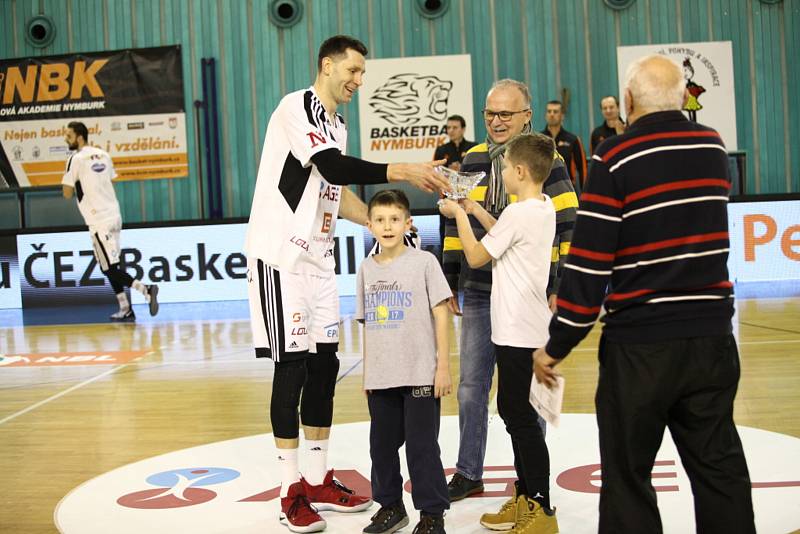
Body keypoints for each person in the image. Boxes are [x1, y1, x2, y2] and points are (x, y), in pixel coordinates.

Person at [534, 54, 755, 534]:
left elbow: (590, 263)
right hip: (712, 339)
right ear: (682, 98)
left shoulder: (613, 157)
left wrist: (556, 345)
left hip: (640, 348)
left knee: (628, 477)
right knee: (720, 472)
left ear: (628, 101)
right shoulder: (713, 147)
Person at [243, 35, 450, 533]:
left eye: (362, 73)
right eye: (353, 71)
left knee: (324, 366)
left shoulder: (335, 124)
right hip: (281, 257)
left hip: (318, 261)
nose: (359, 81)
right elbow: (332, 166)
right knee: (290, 368)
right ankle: (288, 489)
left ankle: (316, 479)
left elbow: (335, 194)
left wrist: (388, 223)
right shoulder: (299, 107)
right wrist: (397, 167)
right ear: (327, 64)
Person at [441, 79, 577, 502]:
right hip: (482, 293)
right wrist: (450, 281)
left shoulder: (545, 162)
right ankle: (469, 471)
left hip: (525, 299)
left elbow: (568, 219)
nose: (496, 121)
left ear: (527, 116)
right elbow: (453, 227)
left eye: (505, 114)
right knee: (471, 386)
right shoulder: (473, 158)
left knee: (523, 397)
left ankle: (529, 482)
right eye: (489, 114)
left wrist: (561, 284)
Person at [358, 190, 452, 534]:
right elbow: (368, 324)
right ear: (369, 225)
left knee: (421, 447)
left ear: (408, 224)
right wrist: (368, 374)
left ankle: (432, 514)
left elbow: (441, 313)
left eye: (394, 219)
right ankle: (391, 507)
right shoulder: (366, 269)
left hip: (420, 374)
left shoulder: (425, 262)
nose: (387, 226)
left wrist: (442, 366)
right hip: (382, 376)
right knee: (381, 447)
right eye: (380, 220)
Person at [61, 121, 159, 322]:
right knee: (109, 264)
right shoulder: (104, 155)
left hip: (98, 220)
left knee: (109, 268)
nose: (66, 139)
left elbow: (66, 192)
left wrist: (77, 186)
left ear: (79, 137)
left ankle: (146, 289)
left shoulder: (75, 159)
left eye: (68, 136)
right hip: (114, 215)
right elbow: (107, 180)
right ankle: (125, 308)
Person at [541, 100, 587, 194]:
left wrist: (585, 193)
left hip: (568, 190)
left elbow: (582, 168)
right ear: (545, 115)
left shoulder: (573, 139)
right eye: (549, 111)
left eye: (555, 111)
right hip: (544, 190)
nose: (552, 114)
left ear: (562, 116)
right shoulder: (539, 139)